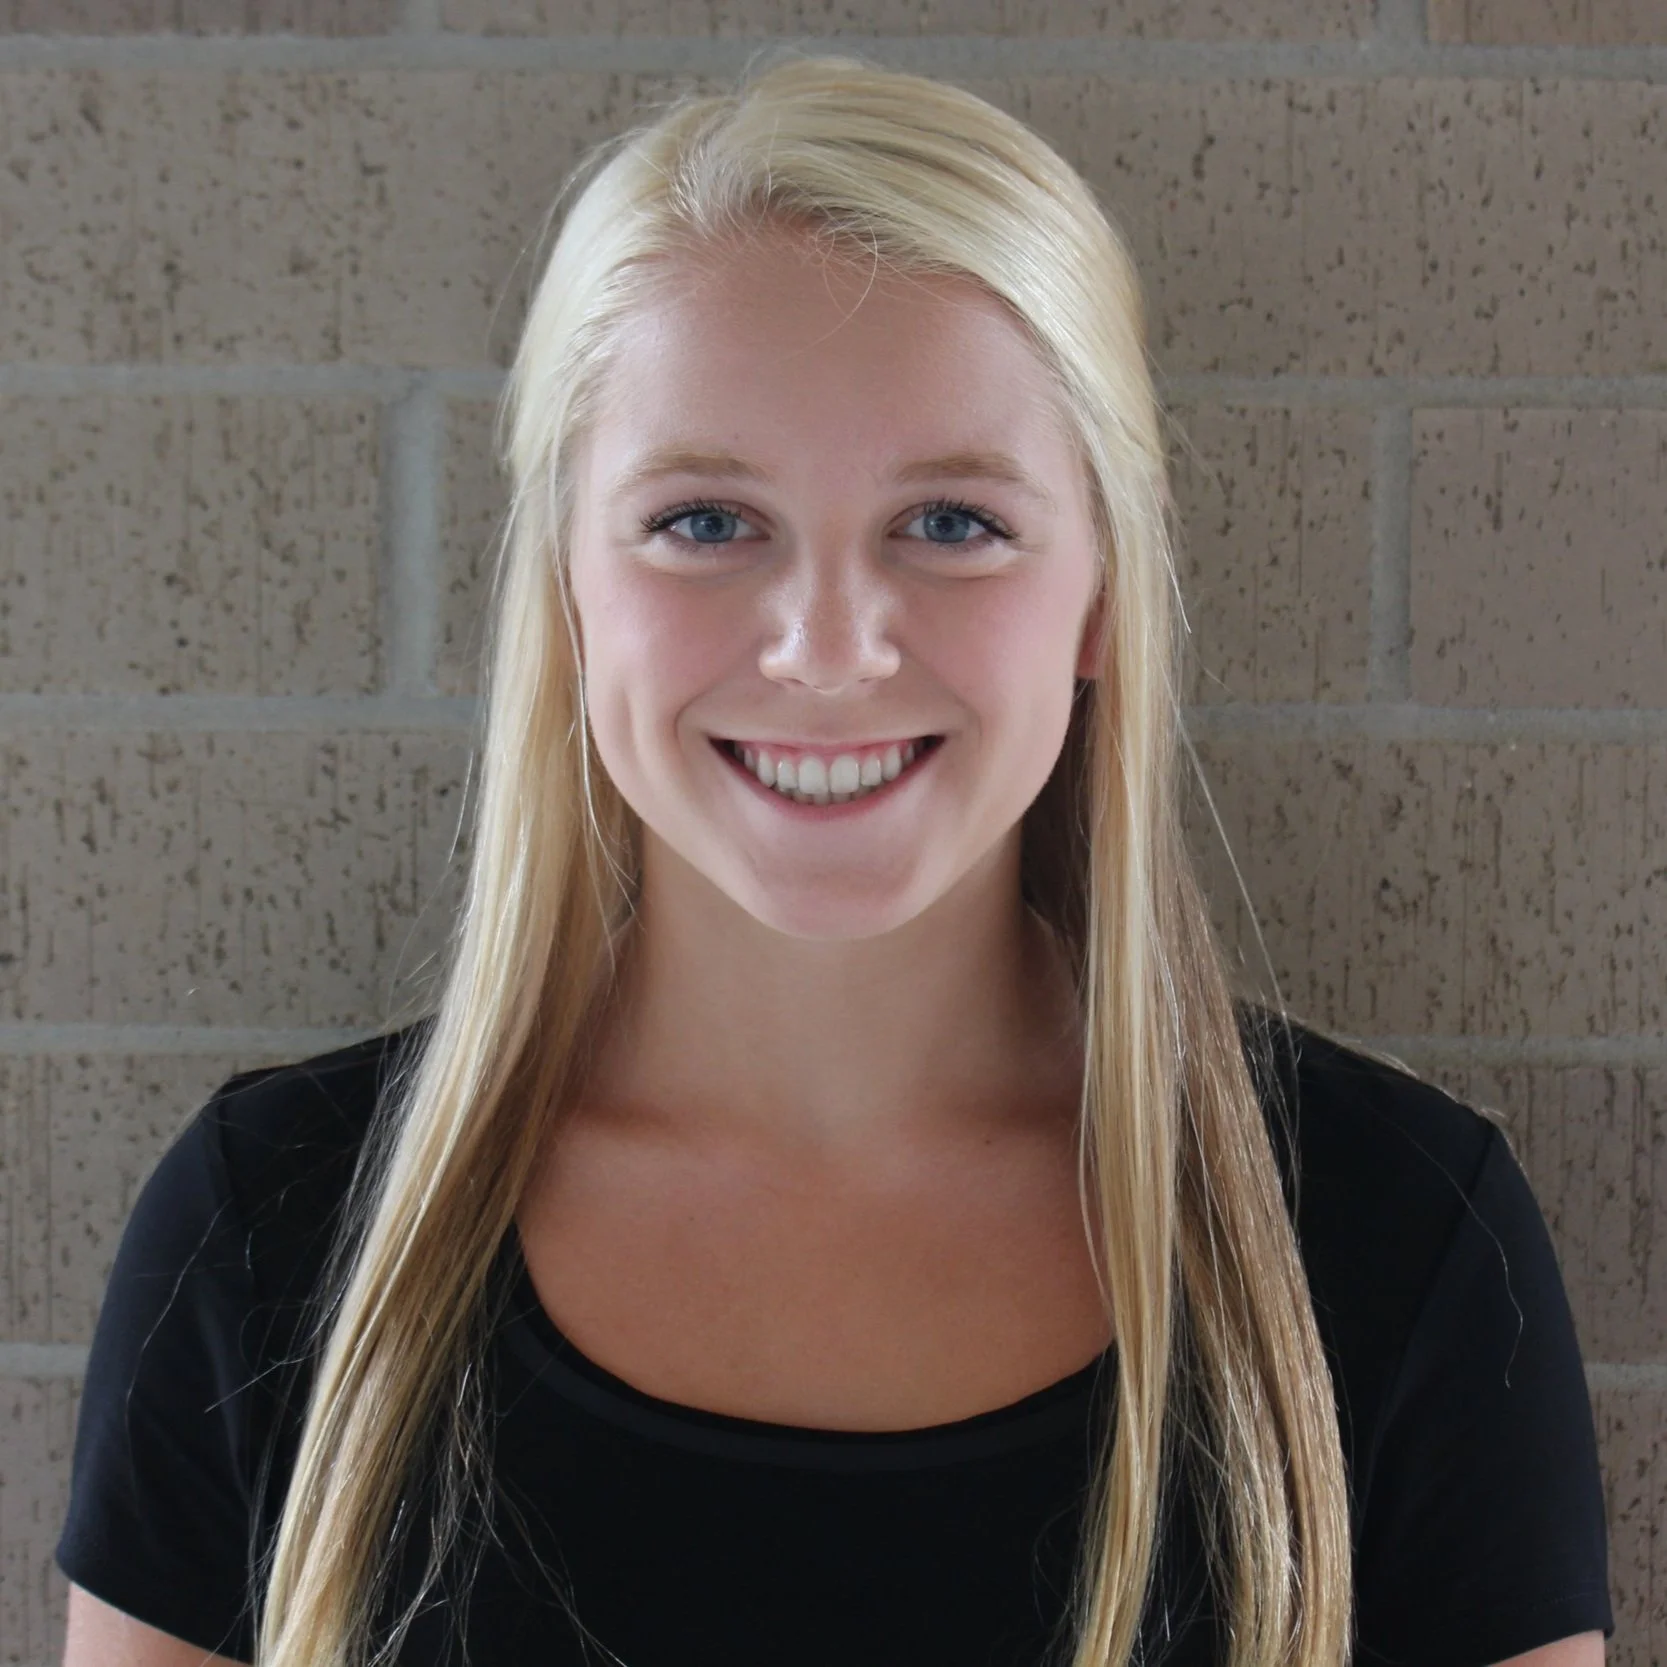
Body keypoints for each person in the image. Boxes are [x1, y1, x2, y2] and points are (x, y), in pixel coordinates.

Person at [56, 50, 1613, 1667]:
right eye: (703, 520)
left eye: (950, 523)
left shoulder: (1395, 1247)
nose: (823, 648)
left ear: (1101, 587)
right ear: (567, 585)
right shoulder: (270, 1234)